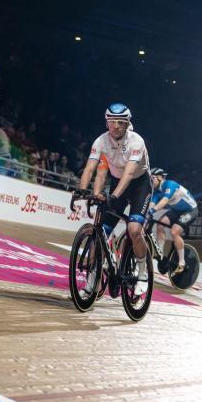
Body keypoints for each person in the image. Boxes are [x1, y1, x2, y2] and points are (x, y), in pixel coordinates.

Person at [76, 103, 152, 297]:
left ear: (127, 123)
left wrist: (115, 196)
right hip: (118, 182)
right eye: (112, 122)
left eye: (120, 122)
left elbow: (128, 173)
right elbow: (91, 168)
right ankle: (92, 279)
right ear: (106, 122)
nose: (116, 126)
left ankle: (142, 272)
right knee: (100, 231)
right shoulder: (101, 141)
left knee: (134, 229)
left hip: (139, 185)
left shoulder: (136, 141)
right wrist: (82, 190)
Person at [148, 167, 199, 276]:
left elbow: (165, 200)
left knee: (174, 232)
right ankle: (160, 252)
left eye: (152, 178)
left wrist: (153, 210)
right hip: (176, 210)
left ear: (160, 178)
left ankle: (182, 262)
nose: (150, 181)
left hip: (190, 210)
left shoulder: (170, 184)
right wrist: (147, 211)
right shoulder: (157, 192)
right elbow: (151, 206)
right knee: (160, 224)